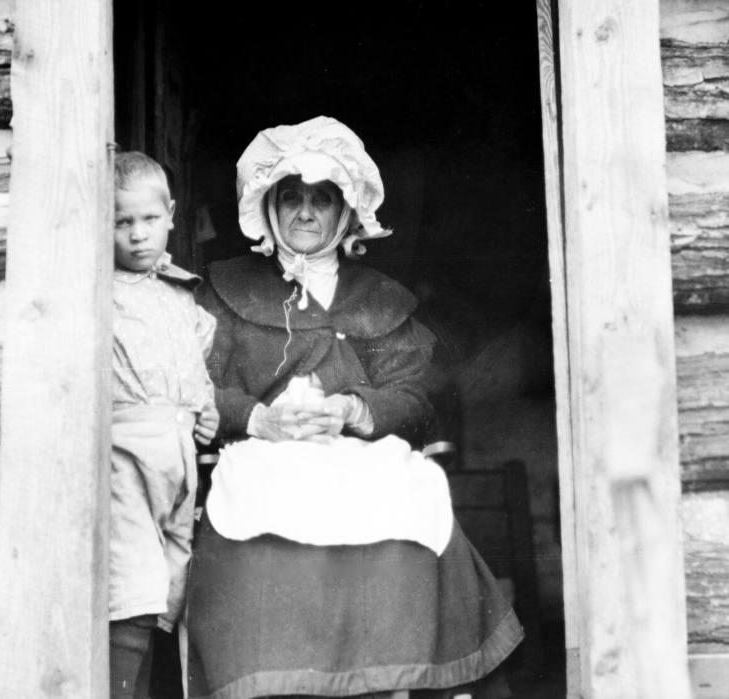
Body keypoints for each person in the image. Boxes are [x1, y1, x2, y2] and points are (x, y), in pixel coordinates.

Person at [186, 117, 524, 699]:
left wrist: (353, 409)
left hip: (362, 461)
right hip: (265, 457)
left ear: (346, 212)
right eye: (291, 198)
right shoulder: (221, 290)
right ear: (268, 208)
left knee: (411, 506)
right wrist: (258, 418)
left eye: (323, 199)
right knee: (258, 533)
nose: (306, 213)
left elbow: (415, 396)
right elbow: (192, 386)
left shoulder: (380, 299)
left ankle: (395, 681)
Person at [108, 151, 219, 699]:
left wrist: (208, 407)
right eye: (121, 222)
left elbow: (195, 372)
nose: (136, 235)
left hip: (178, 461)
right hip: (126, 457)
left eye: (148, 219)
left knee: (168, 588)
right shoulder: (99, 294)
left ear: (172, 214)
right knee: (131, 589)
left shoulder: (180, 292)